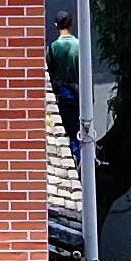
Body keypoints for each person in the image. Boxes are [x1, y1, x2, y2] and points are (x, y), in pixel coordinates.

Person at [48, 18, 81, 166]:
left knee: (63, 131)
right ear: (71, 25)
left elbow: (49, 74)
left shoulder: (53, 47)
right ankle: (79, 160)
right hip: (78, 95)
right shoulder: (80, 45)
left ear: (56, 26)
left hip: (61, 96)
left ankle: (69, 160)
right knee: (77, 132)